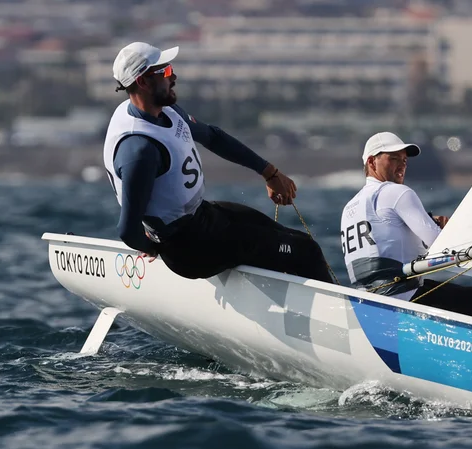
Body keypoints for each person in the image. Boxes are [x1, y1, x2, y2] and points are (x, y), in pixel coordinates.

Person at [103, 42, 333, 283]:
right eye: (167, 72)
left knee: (290, 237)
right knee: (308, 252)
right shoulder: (140, 150)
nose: (175, 77)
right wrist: (153, 250)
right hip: (192, 248)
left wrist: (269, 173)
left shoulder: (165, 111)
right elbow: (128, 230)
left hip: (204, 217)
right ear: (143, 82)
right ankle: (341, 316)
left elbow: (212, 137)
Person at [339, 131, 472, 320]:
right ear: (371, 162)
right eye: (393, 158)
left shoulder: (349, 207)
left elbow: (385, 242)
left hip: (369, 304)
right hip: (405, 300)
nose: (401, 165)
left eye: (404, 160)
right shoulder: (397, 192)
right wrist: (449, 231)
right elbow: (438, 246)